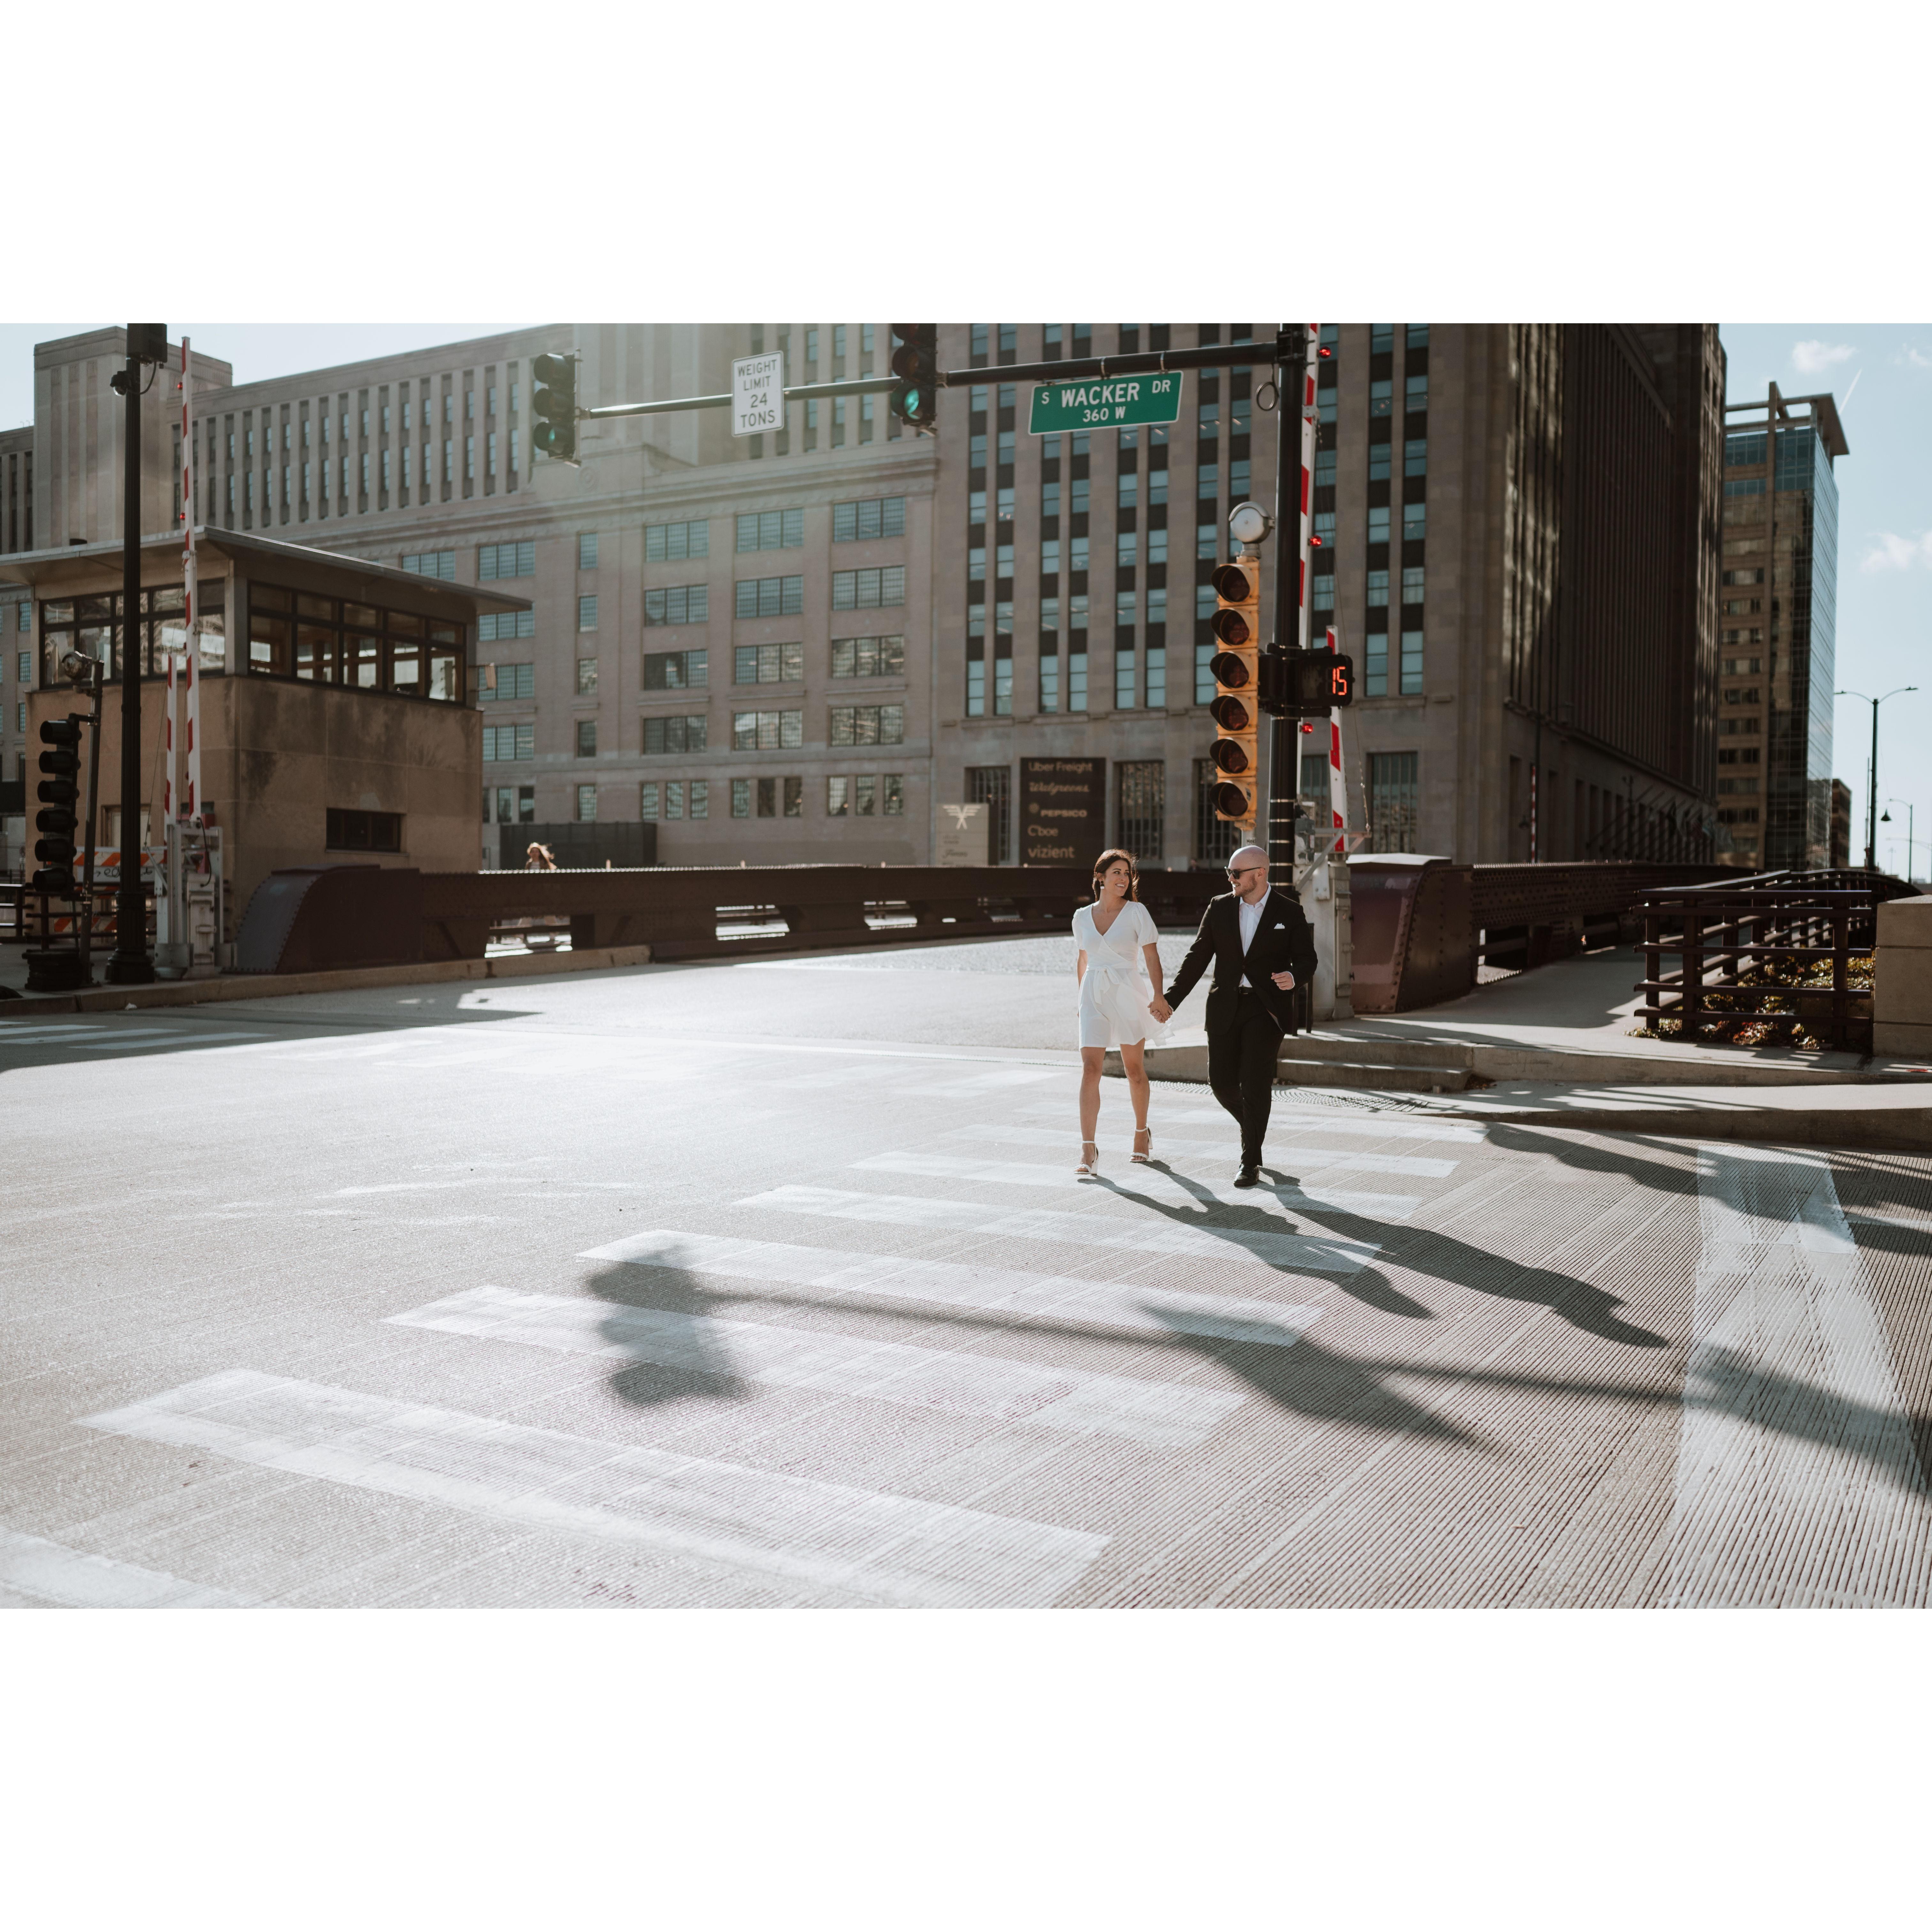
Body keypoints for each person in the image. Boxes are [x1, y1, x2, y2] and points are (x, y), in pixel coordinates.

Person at [1150, 843, 1317, 1188]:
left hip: (1265, 1009)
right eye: (1229, 872)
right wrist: (1170, 1001)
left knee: (1255, 1085)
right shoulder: (1220, 907)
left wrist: (1294, 977)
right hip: (1225, 1005)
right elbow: (1197, 957)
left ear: (1260, 873)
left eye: (1236, 874)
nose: (1231, 879)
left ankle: (1250, 1161)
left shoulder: (1289, 911)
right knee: (1222, 1084)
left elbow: (1307, 959)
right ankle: (1253, 1127)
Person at [1072, 848, 1166, 1178]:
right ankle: (1088, 1148)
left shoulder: (1137, 913)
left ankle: (1142, 1133)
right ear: (1100, 877)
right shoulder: (1082, 917)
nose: (1124, 879)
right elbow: (1083, 960)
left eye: (1127, 874)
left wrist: (1158, 995)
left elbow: (1152, 958)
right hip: (1093, 994)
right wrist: (1080, 1000)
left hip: (1128, 992)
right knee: (1090, 1069)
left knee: (1134, 1070)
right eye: (1117, 873)